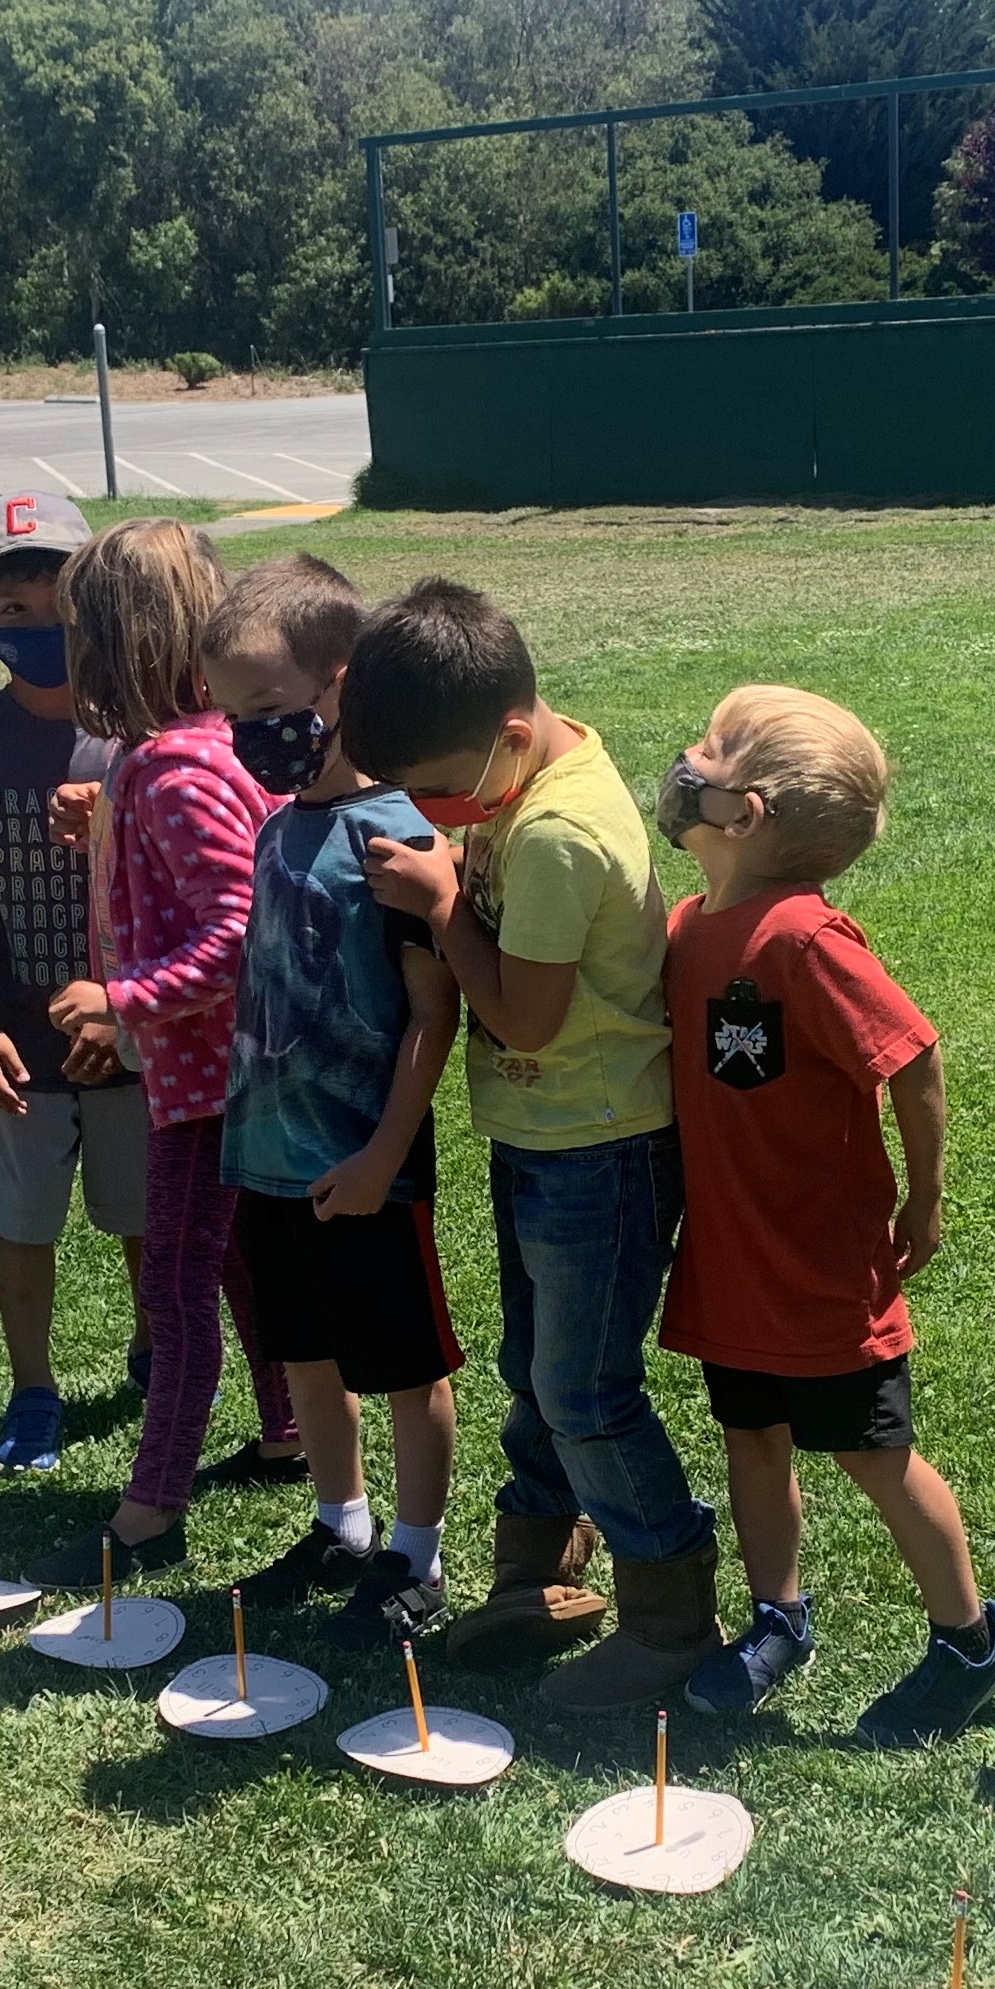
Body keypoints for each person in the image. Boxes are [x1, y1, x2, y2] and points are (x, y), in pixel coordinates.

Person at [350, 579, 717, 1713]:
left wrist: (442, 902)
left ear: (509, 737)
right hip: (544, 1132)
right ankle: (538, 1568)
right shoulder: (538, 770)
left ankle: (673, 1614)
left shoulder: (556, 829)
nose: (431, 810)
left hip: (596, 1147)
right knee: (536, 1368)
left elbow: (523, 1017)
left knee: (582, 1386)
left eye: (442, 789)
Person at [655, 686, 995, 1746]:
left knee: (872, 1454)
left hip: (820, 1267)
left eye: (709, 751)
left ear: (743, 811)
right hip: (729, 1259)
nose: (684, 757)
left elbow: (912, 1056)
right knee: (750, 1440)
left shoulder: (804, 940)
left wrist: (925, 1195)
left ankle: (967, 1640)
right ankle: (778, 1617)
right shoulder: (685, 928)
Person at [14, 519, 292, 1587]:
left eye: (76, 628)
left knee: (174, 1284)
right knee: (231, 1260)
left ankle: (150, 1502)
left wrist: (122, 995)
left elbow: (238, 926)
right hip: (228, 1074)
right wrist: (111, 832)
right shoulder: (196, 753)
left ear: (119, 644)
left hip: (208, 1082)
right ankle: (283, 1430)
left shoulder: (174, 772)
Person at [203, 557, 468, 1642]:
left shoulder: (398, 836)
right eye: (231, 715)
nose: (248, 734)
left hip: (362, 1162)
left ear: (340, 686)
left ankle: (416, 1550)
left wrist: (379, 1155)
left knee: (404, 1365)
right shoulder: (274, 830)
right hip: (266, 1155)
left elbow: (430, 1015)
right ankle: (339, 1520)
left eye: (267, 709)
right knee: (304, 1355)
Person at [0, 492, 157, 1473]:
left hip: (133, 1036)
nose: (37, 626)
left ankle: (162, 1351)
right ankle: (32, 1386)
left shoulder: (139, 734)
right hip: (23, 1039)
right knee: (23, 1224)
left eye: (55, 598)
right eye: (8, 611)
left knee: (143, 1214)